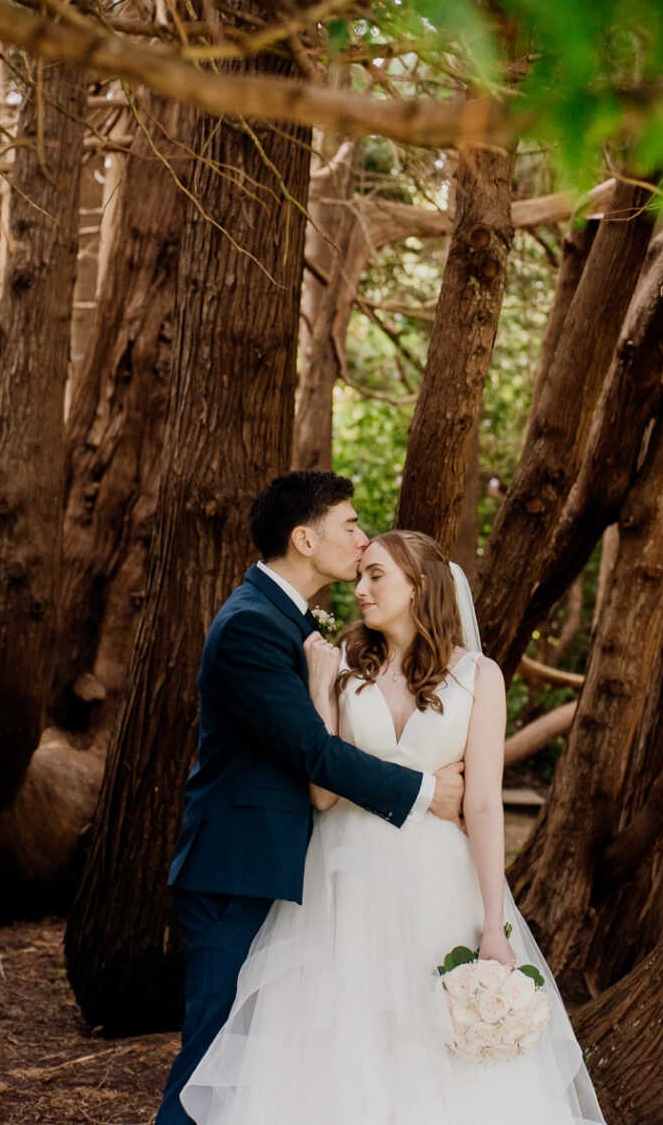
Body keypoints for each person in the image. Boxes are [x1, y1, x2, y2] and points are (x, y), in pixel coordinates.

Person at [181, 528, 605, 1125]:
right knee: (346, 1037)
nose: (360, 588)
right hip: (345, 883)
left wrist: (494, 922)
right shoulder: (342, 663)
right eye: (360, 576)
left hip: (437, 881)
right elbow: (324, 793)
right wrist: (319, 691)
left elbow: (483, 805)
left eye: (376, 575)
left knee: (434, 1038)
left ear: (420, 586)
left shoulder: (480, 677)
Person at [158, 472, 467, 1125]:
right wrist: (424, 791)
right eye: (350, 525)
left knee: (253, 1068)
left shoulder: (290, 621)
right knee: (212, 1063)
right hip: (234, 875)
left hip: (272, 870)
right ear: (304, 538)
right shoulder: (251, 627)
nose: (361, 539)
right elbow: (313, 755)